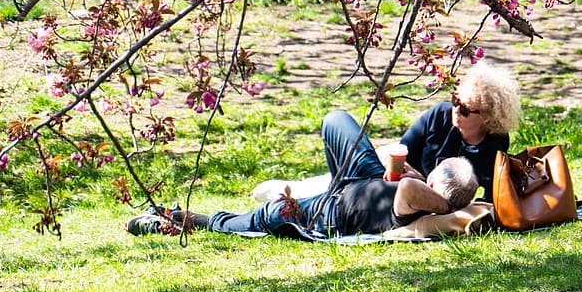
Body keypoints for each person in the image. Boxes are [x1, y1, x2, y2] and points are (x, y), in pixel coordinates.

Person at [126, 110, 479, 237]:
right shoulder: (418, 192)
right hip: (362, 182)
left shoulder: (417, 203)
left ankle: (185, 219)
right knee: (336, 121)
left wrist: (437, 199)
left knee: (264, 216)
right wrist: (408, 171)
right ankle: (322, 183)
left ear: (435, 188)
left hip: (332, 213)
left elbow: (406, 194)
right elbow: (401, 181)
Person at [400, 61, 520, 202]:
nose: (455, 110)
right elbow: (402, 153)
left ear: (487, 117)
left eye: (464, 109)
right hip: (408, 192)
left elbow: (493, 196)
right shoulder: (438, 116)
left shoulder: (495, 142)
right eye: (455, 101)